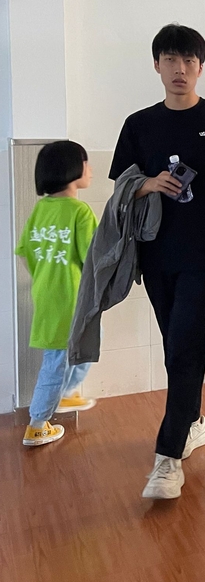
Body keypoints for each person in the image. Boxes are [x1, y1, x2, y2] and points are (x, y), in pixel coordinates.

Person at [109, 24, 205, 500]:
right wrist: (149, 183)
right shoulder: (139, 124)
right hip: (155, 253)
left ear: (201, 66)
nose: (180, 69)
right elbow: (122, 186)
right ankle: (193, 420)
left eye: (189, 60)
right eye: (171, 59)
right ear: (157, 65)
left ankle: (167, 458)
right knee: (176, 345)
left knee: (185, 349)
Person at [15, 141, 98, 446]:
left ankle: (67, 393)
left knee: (68, 352)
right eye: (86, 163)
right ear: (72, 169)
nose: (90, 170)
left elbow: (24, 253)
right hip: (72, 298)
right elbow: (93, 258)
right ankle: (39, 423)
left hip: (46, 295)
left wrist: (44, 277)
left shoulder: (41, 209)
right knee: (60, 361)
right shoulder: (80, 211)